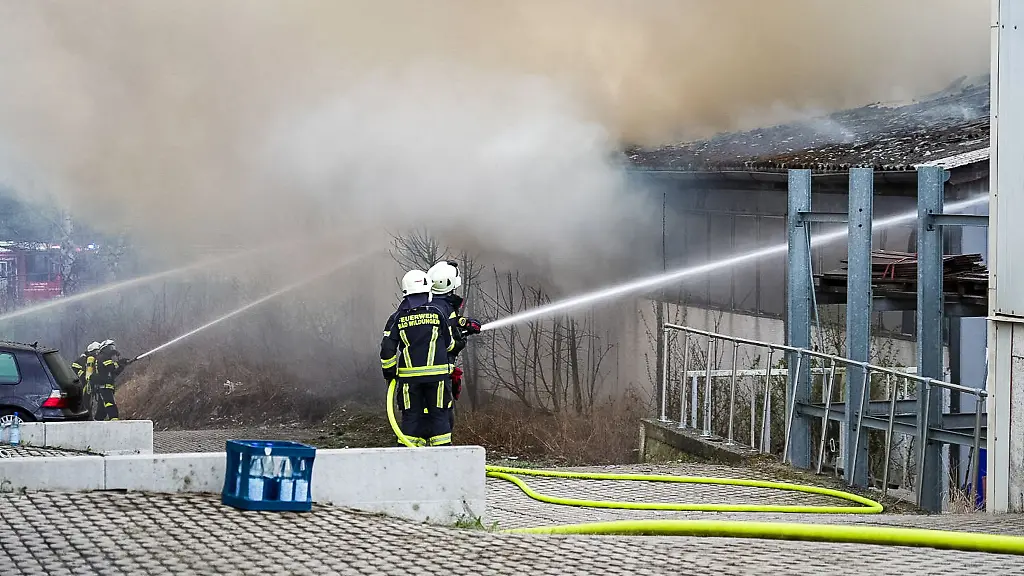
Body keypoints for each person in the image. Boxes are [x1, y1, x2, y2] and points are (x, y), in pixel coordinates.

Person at [380, 269, 457, 447]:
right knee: (439, 415)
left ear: (405, 293)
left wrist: (389, 372)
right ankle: (444, 457)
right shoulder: (438, 313)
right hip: (437, 378)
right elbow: (449, 343)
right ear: (428, 291)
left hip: (409, 381)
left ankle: (409, 457)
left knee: (411, 417)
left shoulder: (397, 318)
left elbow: (387, 349)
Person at [426, 260, 482, 430]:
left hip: (423, 374)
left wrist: (465, 323)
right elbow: (449, 340)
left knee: (422, 417)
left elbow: (449, 325)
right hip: (439, 373)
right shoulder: (444, 306)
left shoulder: (430, 303)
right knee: (442, 417)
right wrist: (462, 338)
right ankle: (441, 449)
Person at [92, 339, 134, 421]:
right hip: (104, 387)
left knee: (102, 411)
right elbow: (111, 367)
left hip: (106, 387)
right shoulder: (103, 357)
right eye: (111, 347)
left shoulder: (105, 358)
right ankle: (114, 420)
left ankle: (97, 423)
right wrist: (120, 363)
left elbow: (114, 372)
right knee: (110, 404)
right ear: (105, 348)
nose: (113, 349)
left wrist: (122, 366)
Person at [71, 341, 101, 420]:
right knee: (86, 401)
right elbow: (74, 366)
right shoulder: (83, 359)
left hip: (90, 383)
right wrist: (82, 375)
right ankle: (87, 417)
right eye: (96, 351)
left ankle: (91, 417)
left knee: (90, 401)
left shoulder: (95, 360)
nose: (97, 353)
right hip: (83, 383)